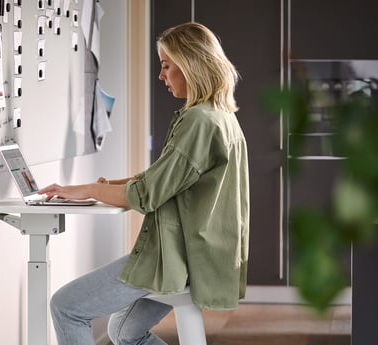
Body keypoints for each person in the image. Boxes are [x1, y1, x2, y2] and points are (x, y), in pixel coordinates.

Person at [39, 22, 249, 345]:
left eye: (167, 66)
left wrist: (89, 190)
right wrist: (109, 184)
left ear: (191, 63)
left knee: (65, 307)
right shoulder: (220, 116)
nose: (162, 76)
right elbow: (163, 177)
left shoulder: (197, 121)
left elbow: (148, 193)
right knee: (123, 331)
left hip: (174, 259)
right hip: (201, 260)